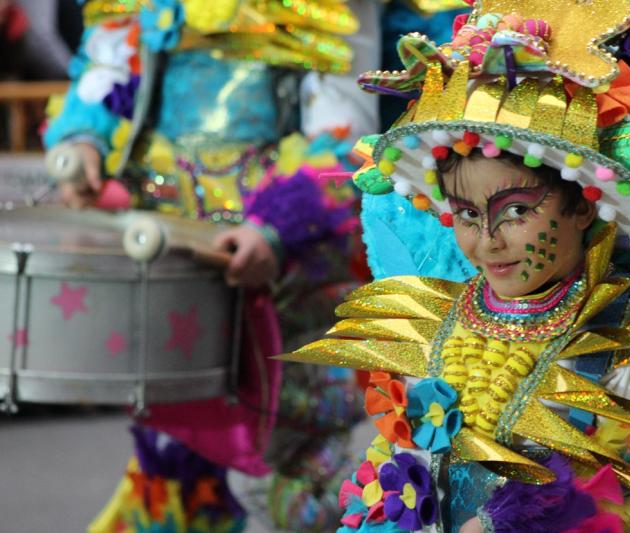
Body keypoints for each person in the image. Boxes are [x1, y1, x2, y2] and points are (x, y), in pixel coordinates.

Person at [279, 0, 630, 531]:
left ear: (582, 205)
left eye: (517, 212)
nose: (487, 241)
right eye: (465, 214)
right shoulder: (439, 324)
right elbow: (402, 481)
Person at [42, 0, 382, 530]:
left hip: (285, 273)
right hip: (171, 256)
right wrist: (82, 138)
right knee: (176, 449)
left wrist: (276, 226)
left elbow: (348, 145)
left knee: (284, 471)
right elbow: (110, 69)